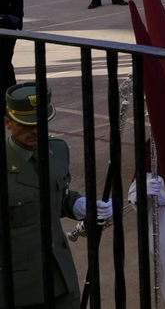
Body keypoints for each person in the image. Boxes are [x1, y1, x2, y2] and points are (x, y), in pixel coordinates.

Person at [4, 82, 112, 309]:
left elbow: (55, 195)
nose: (35, 130)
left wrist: (77, 204)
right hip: (19, 287)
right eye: (26, 124)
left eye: (41, 123)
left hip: (61, 276)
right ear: (8, 123)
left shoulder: (58, 150)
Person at [0, 0, 21, 92]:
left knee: (5, 63)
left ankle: (8, 94)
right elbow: (17, 0)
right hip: (7, 25)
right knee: (5, 64)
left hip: (5, 26)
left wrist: (15, 21)